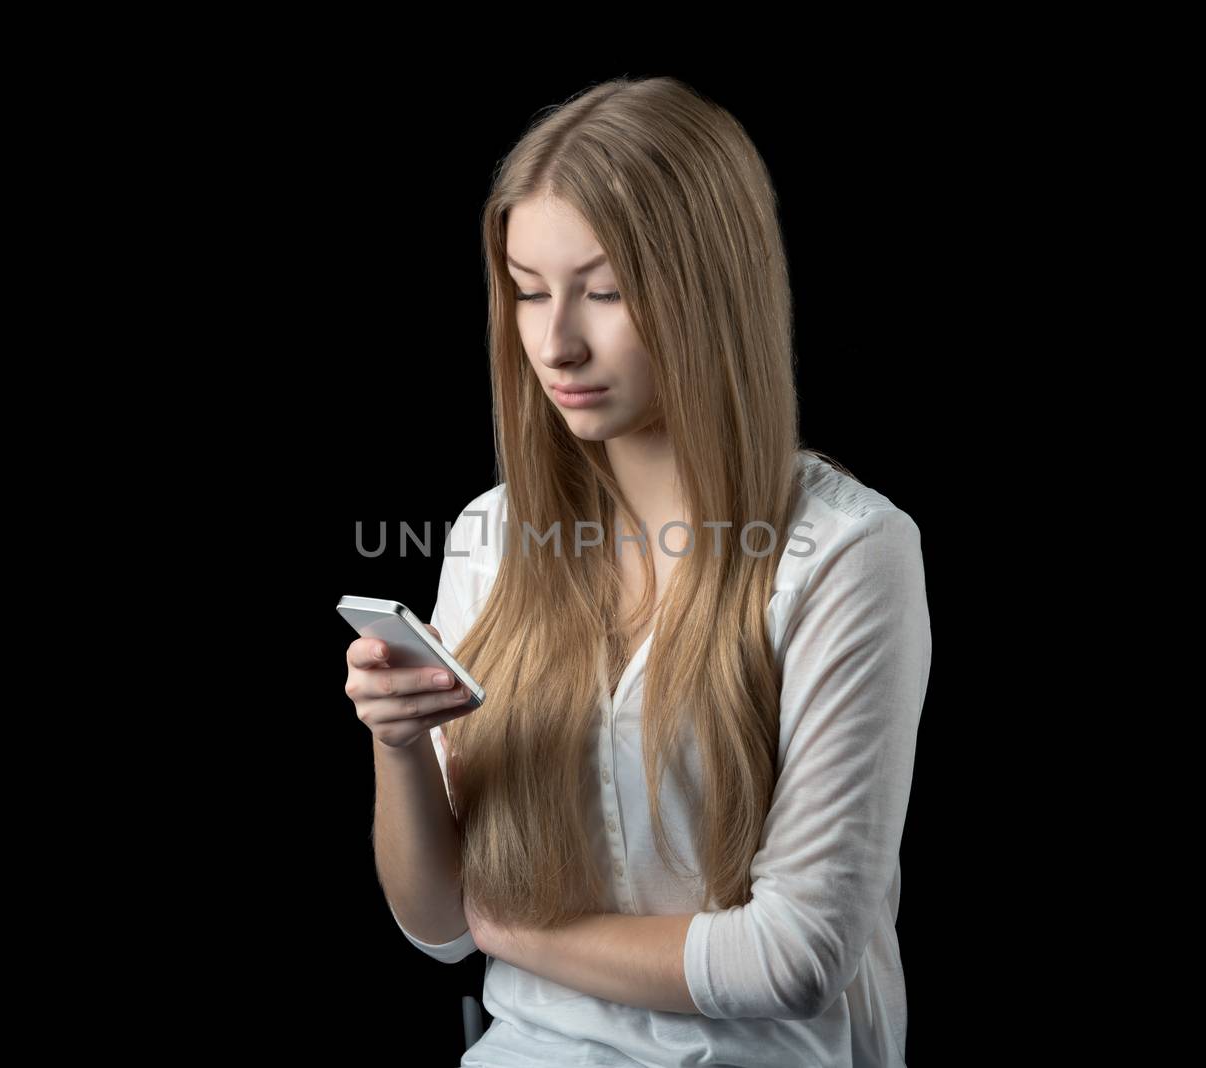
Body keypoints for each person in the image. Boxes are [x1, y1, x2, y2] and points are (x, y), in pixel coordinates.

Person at [348, 75, 932, 1068]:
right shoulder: (491, 537)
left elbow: (793, 958)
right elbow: (438, 923)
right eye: (529, 291)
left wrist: (512, 929)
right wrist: (399, 746)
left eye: (606, 292)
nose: (555, 341)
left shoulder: (844, 554)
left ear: (709, 289)